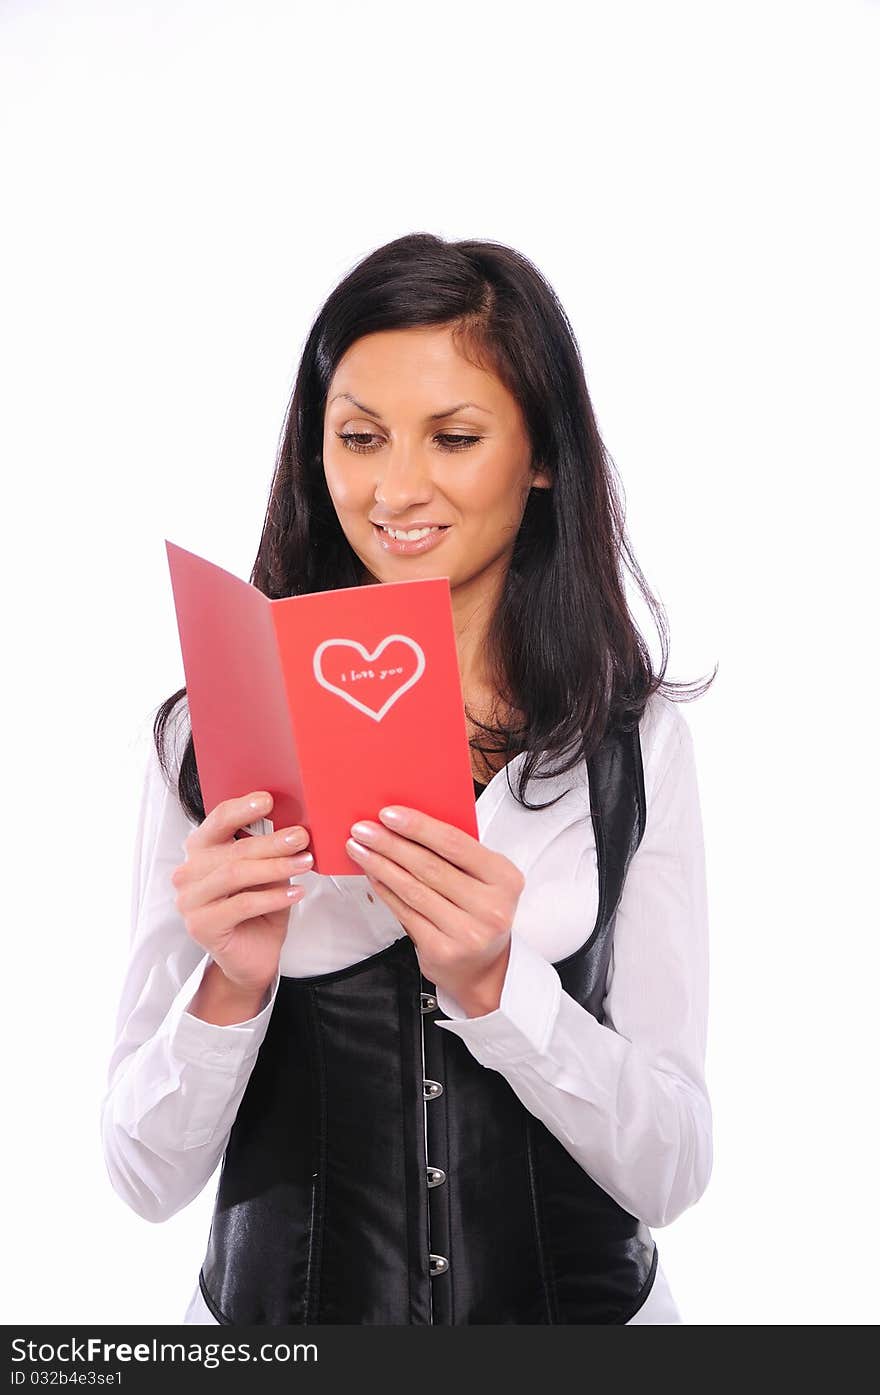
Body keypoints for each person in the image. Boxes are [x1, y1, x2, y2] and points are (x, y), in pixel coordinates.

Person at [101, 233, 715, 1325]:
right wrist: (231, 986)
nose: (395, 488)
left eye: (455, 437)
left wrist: (496, 986)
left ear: (540, 454)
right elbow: (142, 1176)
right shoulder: (210, 737)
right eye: (360, 437)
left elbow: (670, 1170)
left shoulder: (629, 743)